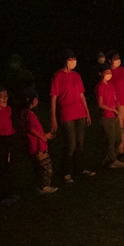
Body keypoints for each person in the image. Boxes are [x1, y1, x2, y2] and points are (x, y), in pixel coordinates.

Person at [50, 49, 95, 184]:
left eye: (74, 59)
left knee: (80, 144)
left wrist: (87, 112)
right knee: (71, 145)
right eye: (70, 59)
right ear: (64, 60)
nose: (73, 62)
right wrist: (53, 118)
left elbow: (81, 94)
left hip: (80, 112)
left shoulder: (76, 75)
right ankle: (65, 172)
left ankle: (79, 169)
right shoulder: (58, 76)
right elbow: (53, 97)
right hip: (67, 113)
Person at [19, 88, 58, 195]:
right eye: (35, 99)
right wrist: (42, 137)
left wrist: (45, 135)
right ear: (29, 99)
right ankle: (43, 186)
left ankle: (39, 185)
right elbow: (32, 129)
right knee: (46, 167)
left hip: (33, 144)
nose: (37, 101)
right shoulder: (29, 114)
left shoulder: (24, 113)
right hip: (38, 145)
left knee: (39, 167)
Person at [95, 64, 124, 169]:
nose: (109, 74)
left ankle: (110, 158)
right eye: (107, 73)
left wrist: (117, 108)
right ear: (101, 74)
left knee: (118, 138)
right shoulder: (100, 86)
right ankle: (112, 161)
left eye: (110, 72)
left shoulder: (110, 85)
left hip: (114, 115)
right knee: (111, 139)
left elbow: (115, 98)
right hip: (106, 116)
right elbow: (100, 104)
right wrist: (112, 109)